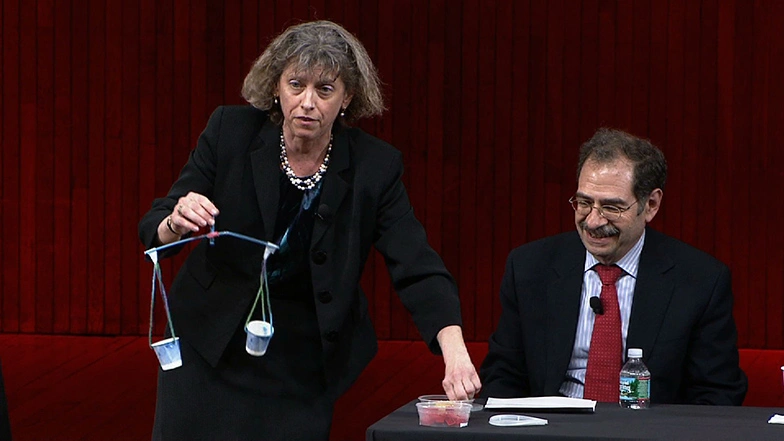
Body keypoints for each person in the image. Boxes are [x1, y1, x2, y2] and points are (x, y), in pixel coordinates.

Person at [138, 20, 481, 441]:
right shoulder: (230, 131)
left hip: (302, 359)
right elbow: (154, 226)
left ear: (347, 98)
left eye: (324, 90)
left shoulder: (375, 167)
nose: (307, 103)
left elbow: (416, 265)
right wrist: (177, 221)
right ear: (277, 87)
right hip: (209, 345)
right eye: (296, 85)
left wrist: (455, 351)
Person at [479, 128, 747, 405]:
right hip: (552, 429)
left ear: (651, 205)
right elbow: (503, 375)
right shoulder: (530, 267)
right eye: (584, 203)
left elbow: (717, 393)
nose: (593, 221)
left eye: (612, 208)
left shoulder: (700, 280)